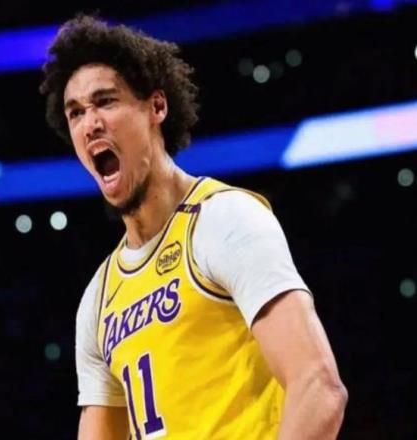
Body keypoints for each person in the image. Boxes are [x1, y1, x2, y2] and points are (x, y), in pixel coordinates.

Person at [40, 14, 348, 440]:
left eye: (106, 101)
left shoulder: (224, 220)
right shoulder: (98, 298)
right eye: (75, 112)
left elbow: (318, 387)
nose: (90, 123)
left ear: (157, 107)